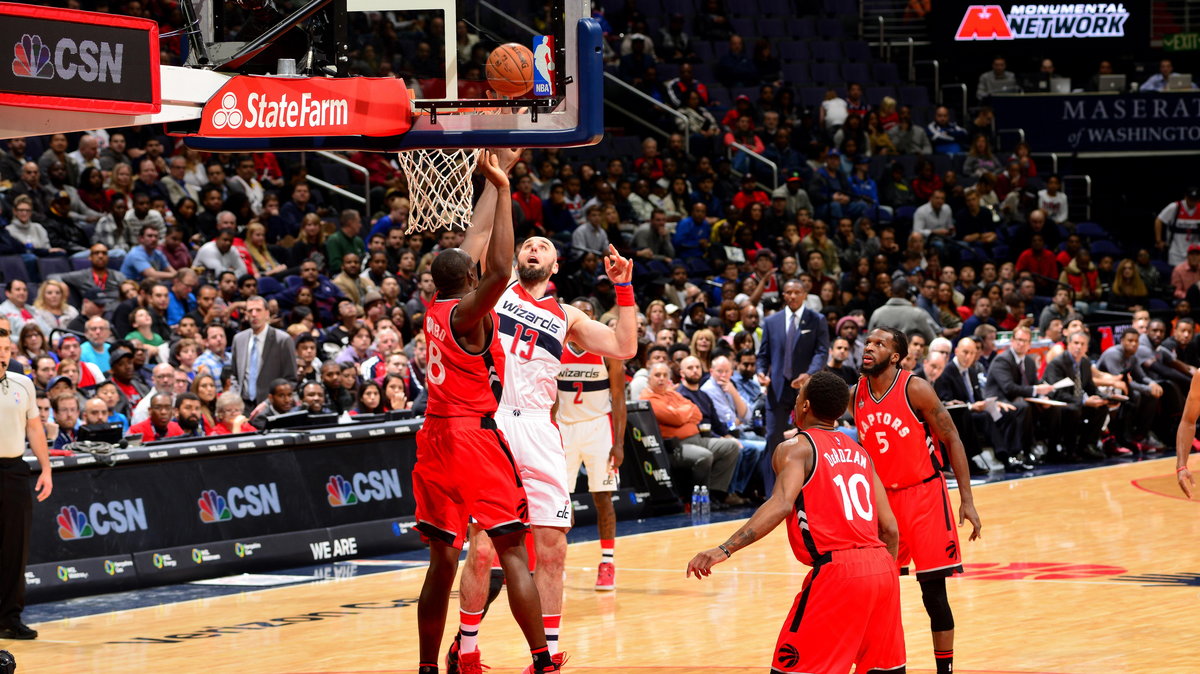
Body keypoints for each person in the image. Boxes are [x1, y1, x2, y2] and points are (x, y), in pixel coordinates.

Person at [450, 149, 638, 672]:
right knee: (483, 546)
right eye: (527, 245)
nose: (533, 249)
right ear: (518, 258)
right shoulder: (497, 289)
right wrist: (498, 180)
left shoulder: (568, 315)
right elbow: (482, 240)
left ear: (555, 266)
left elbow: (624, 345)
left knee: (553, 546)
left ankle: (548, 655)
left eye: (543, 247)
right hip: (493, 421)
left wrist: (624, 287)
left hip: (540, 428)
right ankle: (466, 647)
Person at [412, 151, 559, 674]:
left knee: (441, 562)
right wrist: (504, 187)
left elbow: (475, 249)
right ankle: (543, 660)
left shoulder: (431, 309)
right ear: (469, 281)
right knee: (513, 552)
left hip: (432, 440)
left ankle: (430, 666)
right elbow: (499, 266)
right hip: (473, 438)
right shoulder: (469, 312)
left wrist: (495, 184)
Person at [686, 371, 904, 673]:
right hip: (883, 569)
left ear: (804, 406)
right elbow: (890, 529)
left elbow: (780, 503)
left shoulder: (795, 449)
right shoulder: (860, 453)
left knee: (793, 668)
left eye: (799, 396)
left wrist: (724, 549)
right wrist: (885, 576)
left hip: (839, 572)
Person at [851, 327, 982, 674]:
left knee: (933, 594)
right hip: (882, 502)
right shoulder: (854, 394)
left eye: (879, 344)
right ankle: (880, 665)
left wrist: (967, 499)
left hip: (924, 496)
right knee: (875, 592)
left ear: (895, 356)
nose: (869, 348)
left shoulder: (915, 388)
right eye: (867, 342)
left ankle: (945, 670)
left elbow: (952, 437)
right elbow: (813, 406)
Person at [554, 300, 627, 591]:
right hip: (563, 428)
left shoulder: (608, 350)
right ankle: (555, 562)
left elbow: (619, 398)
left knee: (603, 498)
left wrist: (619, 443)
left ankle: (607, 562)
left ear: (594, 318)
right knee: (559, 502)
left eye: (587, 313)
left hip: (599, 428)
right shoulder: (555, 346)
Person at [0, 315, 53, 640]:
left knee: (14, 548)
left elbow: (34, 427)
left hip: (14, 470)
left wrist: (46, 469)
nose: (2, 354)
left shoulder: (23, 384)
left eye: (6, 348)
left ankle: (9, 618)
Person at [757, 279, 830, 493]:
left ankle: (808, 489)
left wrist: (809, 374)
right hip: (776, 389)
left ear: (804, 294)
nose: (792, 296)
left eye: (796, 292)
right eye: (788, 292)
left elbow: (821, 352)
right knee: (773, 439)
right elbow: (763, 355)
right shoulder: (771, 322)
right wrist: (761, 372)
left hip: (805, 389)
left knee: (808, 438)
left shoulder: (817, 319)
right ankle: (773, 493)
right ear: (783, 295)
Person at [985, 326, 1056, 470]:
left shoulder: (1029, 362)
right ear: (1012, 341)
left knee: (1052, 409)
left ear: (1030, 344)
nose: (1021, 344)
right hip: (997, 402)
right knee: (1022, 408)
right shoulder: (1002, 360)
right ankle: (1018, 453)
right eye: (1018, 340)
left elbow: (1034, 384)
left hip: (1018, 401)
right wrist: (1036, 390)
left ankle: (1053, 450)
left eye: (1025, 341)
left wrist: (1043, 396)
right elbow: (1008, 388)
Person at [230, 295, 297, 407]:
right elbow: (235, 374)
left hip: (271, 406)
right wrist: (236, 396)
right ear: (246, 314)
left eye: (258, 310)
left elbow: (291, 378)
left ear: (267, 313)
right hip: (244, 405)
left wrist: (271, 401)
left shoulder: (282, 339)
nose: (254, 314)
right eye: (250, 310)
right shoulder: (239, 339)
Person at [1154, 186, 1200, 266]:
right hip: (1176, 252)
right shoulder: (1175, 207)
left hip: (1195, 252)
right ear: (1185, 197)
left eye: (1195, 200)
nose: (1192, 202)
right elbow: (1159, 220)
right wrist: (1159, 240)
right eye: (1190, 199)